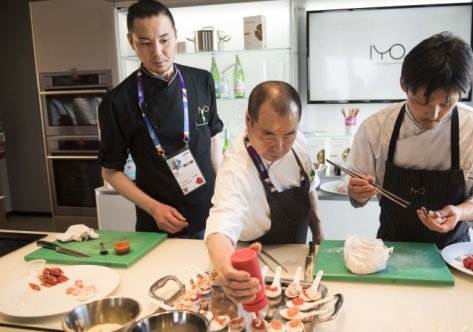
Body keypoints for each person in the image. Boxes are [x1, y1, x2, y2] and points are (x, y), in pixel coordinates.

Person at [347, 32, 473, 249]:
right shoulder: (375, 128)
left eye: (446, 104)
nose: (433, 115)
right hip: (391, 250)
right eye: (422, 101)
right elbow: (357, 195)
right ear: (404, 85)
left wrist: (459, 212)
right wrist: (357, 192)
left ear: (461, 94)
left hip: (454, 252)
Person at [98, 0, 223, 239]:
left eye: (165, 40)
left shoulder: (201, 81)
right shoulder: (117, 102)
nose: (157, 52)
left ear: (176, 36)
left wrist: (226, 195)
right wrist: (154, 209)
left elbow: (214, 140)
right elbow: (110, 171)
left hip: (210, 215)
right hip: (159, 224)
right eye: (145, 43)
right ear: (131, 41)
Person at [204, 81, 323, 303]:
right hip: (256, 264)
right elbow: (221, 224)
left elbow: (310, 186)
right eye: (268, 134)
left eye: (288, 134)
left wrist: (318, 233)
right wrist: (226, 270)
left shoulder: (300, 142)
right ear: (249, 120)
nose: (278, 146)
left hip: (297, 254)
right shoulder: (236, 167)